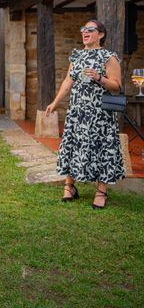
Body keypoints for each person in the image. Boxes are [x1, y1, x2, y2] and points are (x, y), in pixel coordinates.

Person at [46, 20, 124, 209]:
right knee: (73, 145)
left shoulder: (108, 57)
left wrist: (99, 78)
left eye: (90, 30)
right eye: (83, 29)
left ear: (101, 35)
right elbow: (67, 81)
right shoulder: (77, 55)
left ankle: (101, 191)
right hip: (77, 113)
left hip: (100, 115)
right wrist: (55, 102)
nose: (85, 32)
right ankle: (69, 187)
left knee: (102, 149)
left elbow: (117, 86)